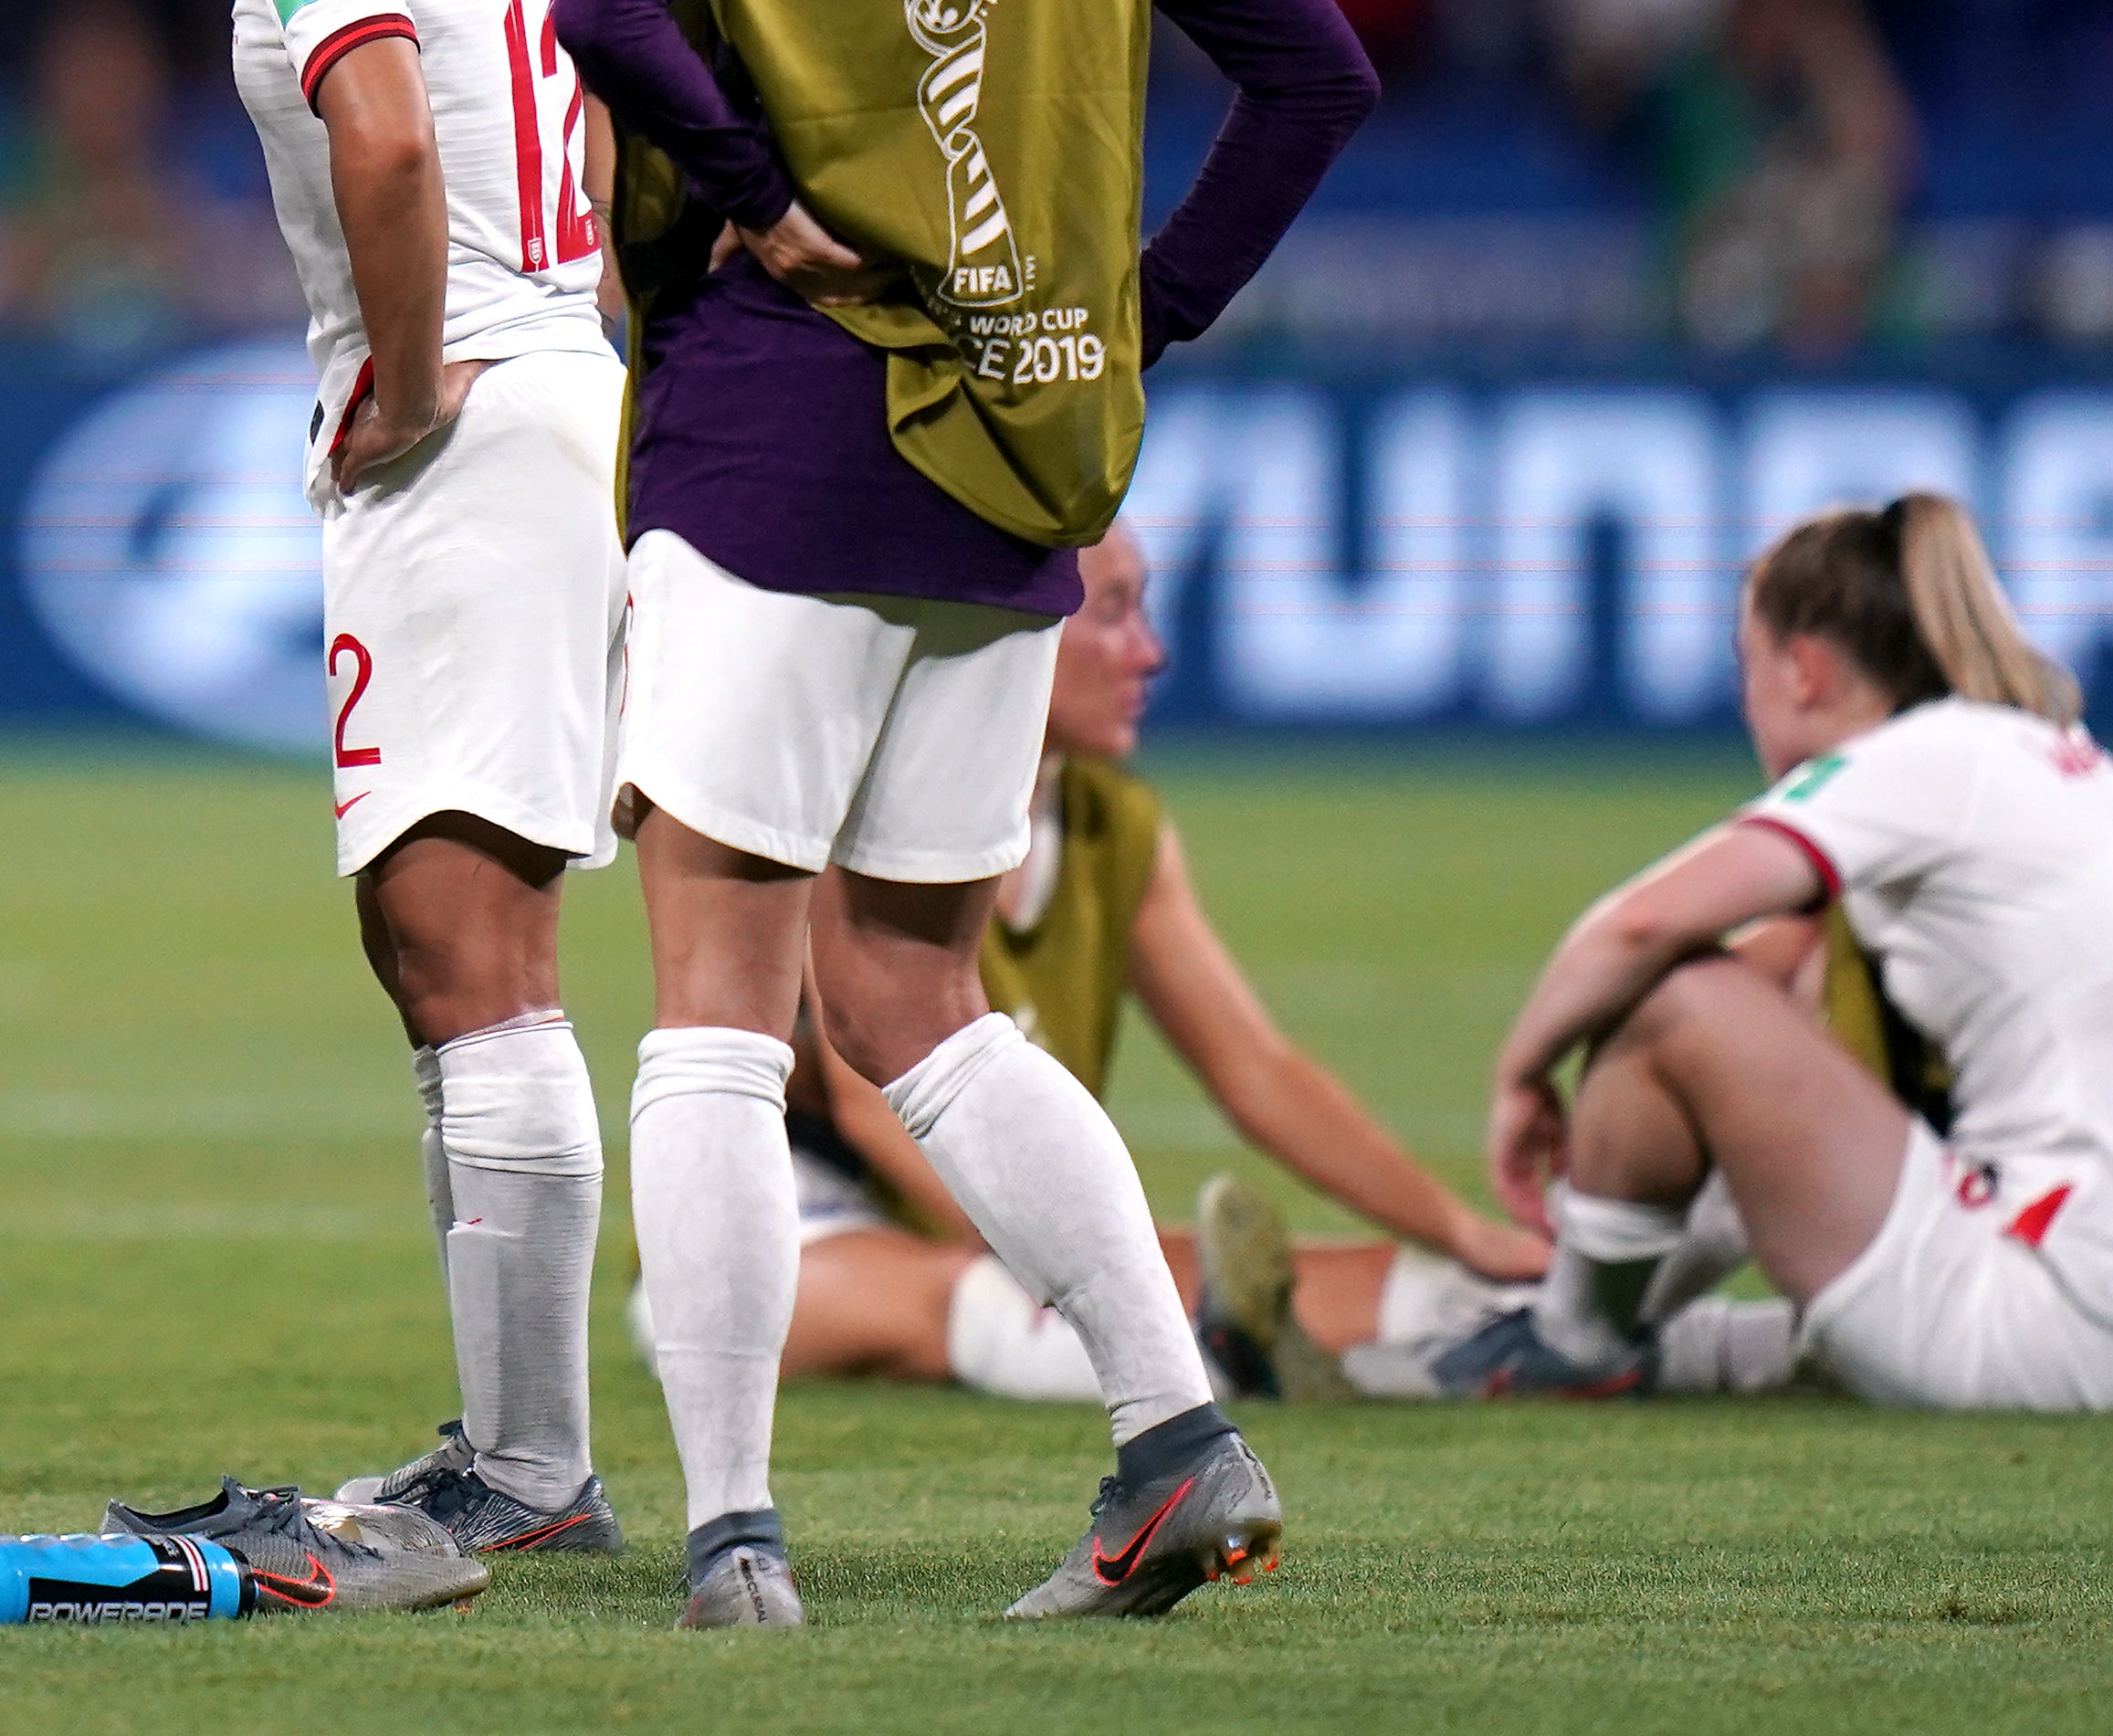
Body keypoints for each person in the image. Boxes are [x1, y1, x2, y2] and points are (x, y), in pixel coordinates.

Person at [551, 0, 1375, 1631]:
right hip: (1008, 483)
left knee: (719, 1005)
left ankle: (729, 1528)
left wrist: (752, 192)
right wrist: (1148, 308)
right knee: (914, 996)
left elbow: (593, 4)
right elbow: (1316, 69)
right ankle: (1171, 1433)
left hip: (781, 444)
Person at [152, 0, 632, 1560]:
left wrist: (422, 372)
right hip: (568, 381)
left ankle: (529, 1466)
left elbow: (373, 134)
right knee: (457, 932)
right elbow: (608, 91)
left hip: (475, 418)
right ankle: (513, 1440)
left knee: (463, 938)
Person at [743, 529, 1737, 1402]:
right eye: (1118, 613)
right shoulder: (874, 795)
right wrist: (1081, 1267)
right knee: (1007, 1302)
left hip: (1002, 1228)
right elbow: (876, 1105)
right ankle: (1227, 1358)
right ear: (1025, 624)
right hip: (812, 1229)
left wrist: (1461, 1233)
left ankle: (1719, 1347)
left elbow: (1255, 1070)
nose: (1151, 652)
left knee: (1366, 1281)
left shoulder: (1111, 824)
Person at [1465, 496, 2113, 1413]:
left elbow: (1636, 929)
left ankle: (1573, 1339)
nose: (1741, 696)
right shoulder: (2040, 759)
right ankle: (1584, 1317)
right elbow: (1766, 1046)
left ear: (1802, 671)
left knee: (1676, 998)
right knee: (1760, 996)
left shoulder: (1919, 762)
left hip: (2044, 1318)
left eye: (1743, 663)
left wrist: (1522, 1075)